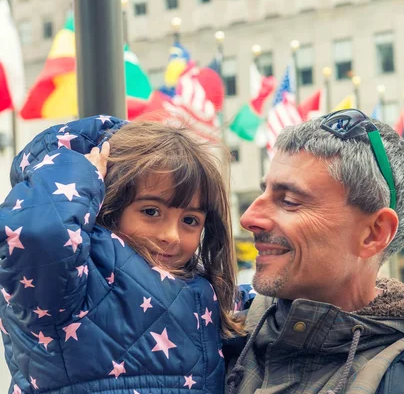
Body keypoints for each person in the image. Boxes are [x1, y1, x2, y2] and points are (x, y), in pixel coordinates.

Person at [225, 109, 404, 394]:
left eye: (288, 201)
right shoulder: (209, 332)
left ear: (373, 233)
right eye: (264, 194)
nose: (249, 218)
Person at [0, 115, 242, 393]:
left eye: (190, 220)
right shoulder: (74, 281)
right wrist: (77, 172)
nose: (171, 236)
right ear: (108, 207)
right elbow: (41, 235)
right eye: (151, 211)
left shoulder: (203, 289)